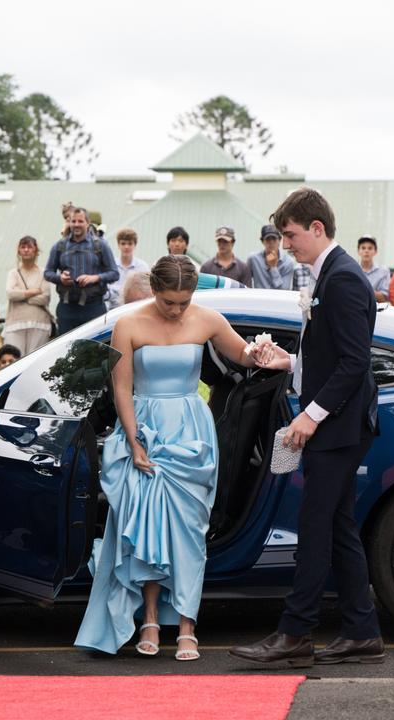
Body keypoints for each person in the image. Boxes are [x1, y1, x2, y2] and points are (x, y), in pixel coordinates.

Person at [75, 255, 260, 661]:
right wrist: (133, 438)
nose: (177, 310)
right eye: (168, 302)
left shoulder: (207, 319)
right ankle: (151, 620)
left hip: (191, 434)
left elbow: (244, 355)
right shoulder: (128, 324)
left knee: (189, 532)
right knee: (146, 530)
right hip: (144, 429)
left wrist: (267, 352)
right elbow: (121, 388)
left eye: (184, 301)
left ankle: (188, 623)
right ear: (154, 290)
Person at [231, 188, 385, 668]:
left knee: (315, 528)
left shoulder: (340, 279)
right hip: (341, 425)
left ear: (316, 228)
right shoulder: (332, 276)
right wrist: (290, 363)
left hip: (338, 428)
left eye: (292, 235)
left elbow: (356, 363)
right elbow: (334, 357)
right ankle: (362, 632)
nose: (288, 244)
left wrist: (308, 414)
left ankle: (295, 633)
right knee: (337, 528)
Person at [44, 207, 119, 334]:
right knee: (64, 350)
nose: (76, 225)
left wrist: (95, 278)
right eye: (73, 221)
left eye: (80, 221)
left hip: (94, 307)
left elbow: (114, 273)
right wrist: (60, 278)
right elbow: (47, 273)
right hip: (67, 308)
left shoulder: (100, 245)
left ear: (88, 222)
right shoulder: (59, 246)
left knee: (94, 349)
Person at [3, 236, 53, 356]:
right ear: (19, 250)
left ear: (36, 250)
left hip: (40, 322)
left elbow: (45, 298)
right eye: (23, 247)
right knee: (14, 360)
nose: (26, 250)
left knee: (35, 361)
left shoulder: (44, 273)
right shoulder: (13, 273)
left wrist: (22, 295)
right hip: (15, 322)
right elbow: (11, 294)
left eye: (29, 247)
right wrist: (33, 292)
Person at [106, 228, 150, 307]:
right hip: (113, 309)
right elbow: (106, 290)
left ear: (135, 245)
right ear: (118, 245)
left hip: (135, 309)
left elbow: (147, 291)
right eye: (123, 243)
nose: (126, 247)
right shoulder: (111, 264)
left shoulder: (142, 266)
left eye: (130, 244)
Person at [247, 224, 296, 290]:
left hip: (278, 299)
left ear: (279, 240)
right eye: (268, 239)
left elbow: (284, 290)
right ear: (262, 241)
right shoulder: (253, 259)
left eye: (274, 239)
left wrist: (273, 268)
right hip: (258, 298)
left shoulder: (288, 262)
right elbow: (246, 282)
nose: (271, 242)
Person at [356, 235, 390, 302]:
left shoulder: (383, 271)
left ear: (375, 251)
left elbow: (383, 297)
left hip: (376, 310)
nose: (366, 251)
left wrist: (361, 290)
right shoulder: (352, 270)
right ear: (358, 251)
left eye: (370, 248)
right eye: (363, 248)